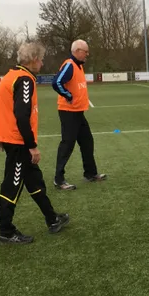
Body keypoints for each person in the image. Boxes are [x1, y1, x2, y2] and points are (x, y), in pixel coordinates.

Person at [0, 42, 69, 245]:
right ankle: (6, 231)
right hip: (18, 142)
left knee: (34, 180)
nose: (42, 63)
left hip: (12, 139)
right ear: (33, 60)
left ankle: (52, 219)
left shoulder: (11, 75)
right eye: (41, 59)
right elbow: (22, 116)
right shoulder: (25, 80)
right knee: (12, 185)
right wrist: (31, 145)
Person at [52, 39, 106, 190]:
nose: (87, 54)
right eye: (85, 51)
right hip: (68, 112)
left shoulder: (79, 66)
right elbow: (56, 83)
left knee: (87, 142)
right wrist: (68, 96)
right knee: (67, 145)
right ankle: (58, 179)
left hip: (78, 113)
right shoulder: (69, 65)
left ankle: (90, 173)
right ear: (76, 51)